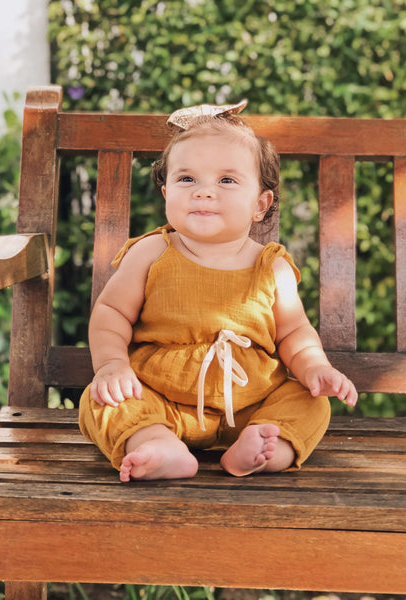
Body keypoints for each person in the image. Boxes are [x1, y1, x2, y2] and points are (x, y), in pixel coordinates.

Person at [79, 100, 357, 483]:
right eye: (187, 179)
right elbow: (111, 313)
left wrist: (314, 367)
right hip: (161, 398)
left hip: (251, 404)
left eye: (226, 180)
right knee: (101, 400)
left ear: (260, 204)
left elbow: (294, 333)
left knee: (310, 404)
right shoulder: (151, 252)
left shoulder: (272, 267)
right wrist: (111, 364)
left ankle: (258, 449)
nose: (203, 193)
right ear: (166, 193)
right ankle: (158, 444)